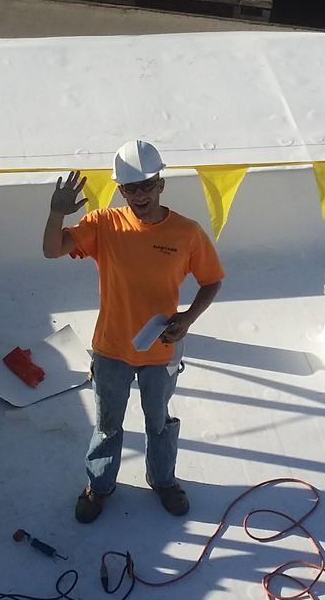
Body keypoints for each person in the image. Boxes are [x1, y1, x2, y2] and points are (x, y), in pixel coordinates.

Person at [43, 139, 223, 523]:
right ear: (120, 189)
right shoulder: (104, 224)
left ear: (161, 184)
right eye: (130, 187)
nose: (139, 194)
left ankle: (163, 480)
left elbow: (211, 280)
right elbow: (52, 249)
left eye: (146, 185)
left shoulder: (187, 233)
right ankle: (99, 485)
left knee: (158, 422)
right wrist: (56, 214)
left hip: (161, 349)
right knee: (108, 425)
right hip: (110, 348)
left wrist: (187, 318)